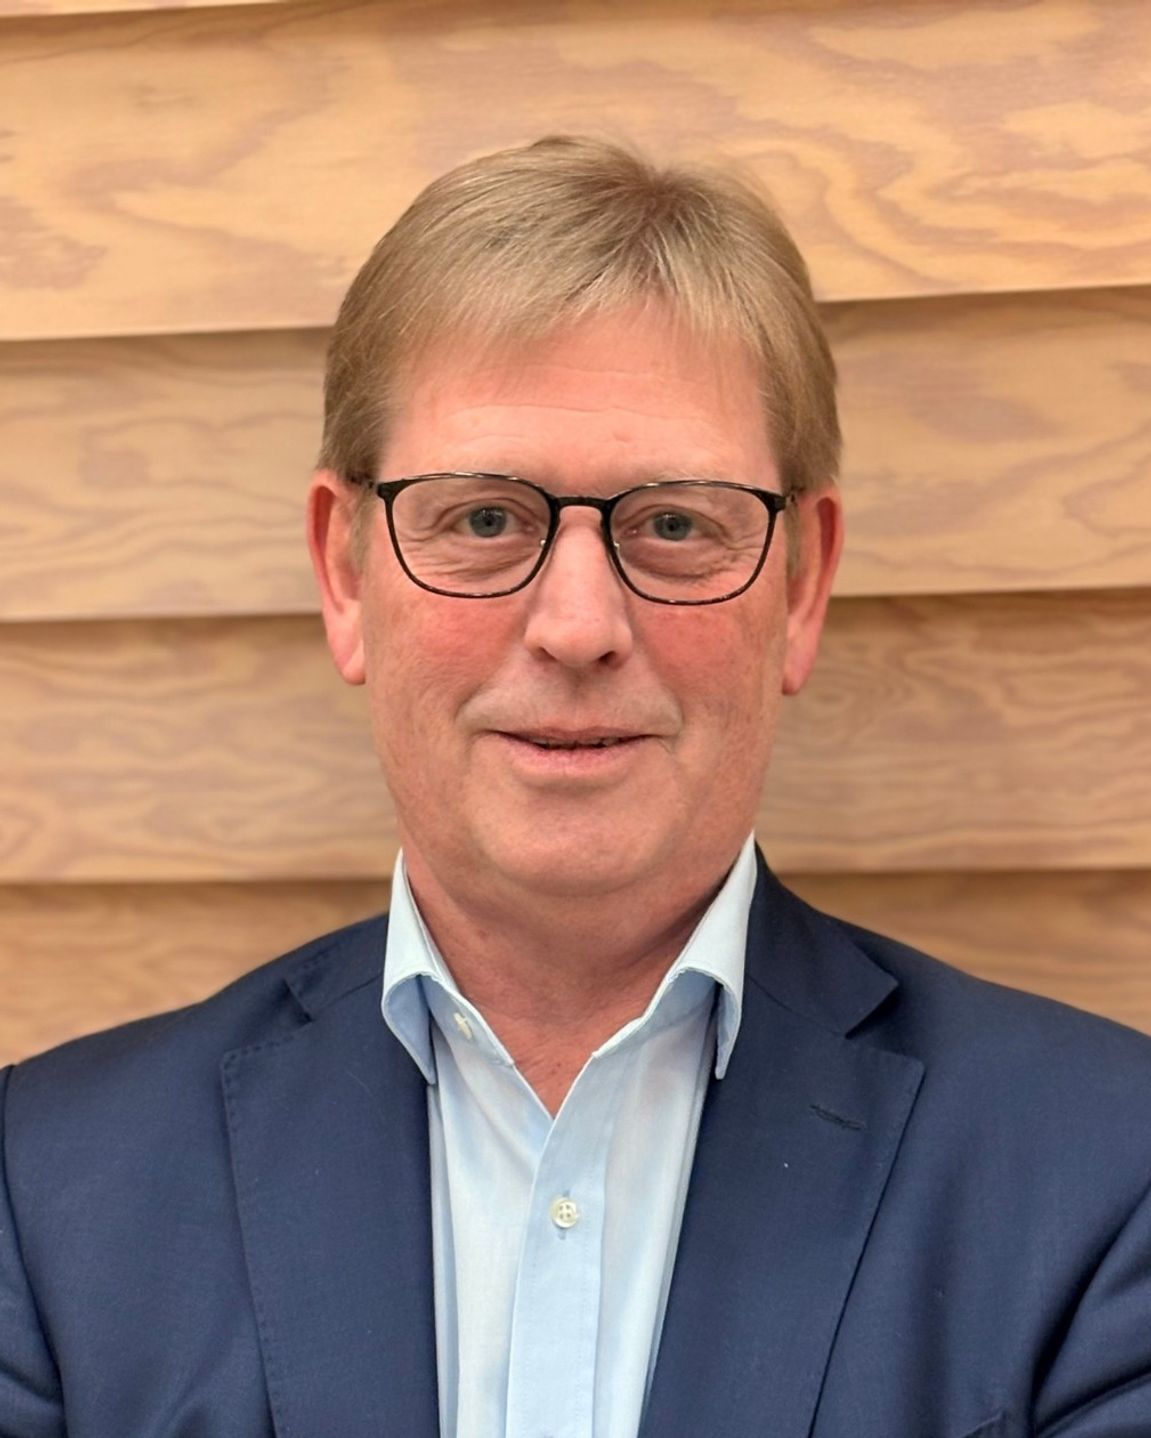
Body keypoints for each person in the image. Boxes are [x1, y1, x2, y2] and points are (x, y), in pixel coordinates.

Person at [2, 136, 1150, 1438]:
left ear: (802, 586)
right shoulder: (45, 1198)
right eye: (484, 519)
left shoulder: (1108, 1184)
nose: (579, 627)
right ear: (345, 574)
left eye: (676, 523)